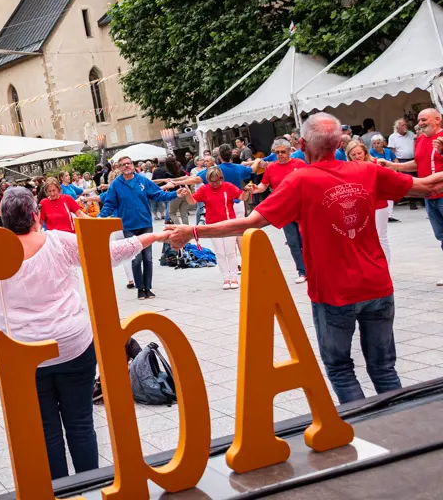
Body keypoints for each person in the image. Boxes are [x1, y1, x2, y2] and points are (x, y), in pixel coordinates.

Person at [166, 112, 443, 404]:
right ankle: (402, 430)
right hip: (377, 285)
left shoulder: (301, 181)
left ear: (303, 144)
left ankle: (368, 433)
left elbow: (250, 223)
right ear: (339, 142)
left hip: (334, 293)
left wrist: (193, 231)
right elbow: (428, 187)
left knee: (340, 369)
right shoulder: (366, 171)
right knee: (385, 369)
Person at [0, 187, 170, 479]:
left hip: (25, 354)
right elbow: (109, 253)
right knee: (81, 423)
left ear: (3, 219)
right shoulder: (58, 242)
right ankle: (89, 487)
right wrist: (151, 236)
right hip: (73, 346)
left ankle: (61, 491)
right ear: (35, 215)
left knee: (47, 429)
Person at [377, 108, 443, 284]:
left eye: (424, 120)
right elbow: (417, 163)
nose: (419, 124)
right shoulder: (420, 139)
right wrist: (392, 165)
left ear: (437, 119)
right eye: (419, 120)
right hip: (430, 196)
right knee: (441, 236)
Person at [98, 156, 178, 300]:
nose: (126, 166)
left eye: (129, 163)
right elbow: (109, 204)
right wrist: (99, 219)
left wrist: (175, 194)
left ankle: (148, 288)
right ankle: (140, 289)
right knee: (136, 259)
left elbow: (157, 194)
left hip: (145, 224)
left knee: (147, 258)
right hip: (128, 226)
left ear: (133, 165)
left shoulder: (142, 180)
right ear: (119, 168)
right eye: (123, 165)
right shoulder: (116, 185)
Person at [248, 139, 308, 284]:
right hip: (284, 209)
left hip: (302, 207)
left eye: (283, 152)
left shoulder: (299, 164)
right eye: (277, 152)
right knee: (293, 241)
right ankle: (302, 271)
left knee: (306, 239)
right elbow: (263, 185)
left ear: (289, 151)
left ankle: (313, 268)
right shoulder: (271, 168)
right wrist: (256, 189)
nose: (280, 155)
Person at [180, 167, 250, 290]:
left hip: (229, 223)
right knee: (220, 253)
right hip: (212, 225)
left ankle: (234, 278)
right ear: (208, 180)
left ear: (221, 178)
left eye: (217, 180)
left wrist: (247, 190)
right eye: (212, 181)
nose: (215, 183)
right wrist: (188, 194)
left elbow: (242, 198)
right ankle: (226, 278)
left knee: (230, 252)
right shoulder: (204, 189)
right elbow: (192, 202)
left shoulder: (228, 186)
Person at [346, 141, 392, 263]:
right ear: (349, 156)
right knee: (365, 236)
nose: (357, 156)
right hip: (361, 206)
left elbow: (388, 181)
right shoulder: (348, 169)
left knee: (381, 235)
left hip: (379, 204)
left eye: (359, 153)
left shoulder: (377, 163)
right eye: (353, 154)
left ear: (365, 152)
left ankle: (386, 263)